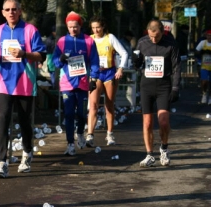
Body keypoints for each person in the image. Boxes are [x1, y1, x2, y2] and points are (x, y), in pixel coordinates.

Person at [0, 0, 46, 178]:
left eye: (14, 9)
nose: (11, 12)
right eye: (7, 10)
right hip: (4, 83)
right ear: (3, 13)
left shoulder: (30, 30)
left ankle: (27, 152)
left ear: (20, 11)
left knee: (24, 121)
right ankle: (2, 162)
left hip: (24, 83)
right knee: (3, 119)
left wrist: (24, 54)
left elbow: (41, 55)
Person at [132, 19, 181, 167]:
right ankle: (149, 155)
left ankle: (164, 149)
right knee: (147, 123)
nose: (154, 40)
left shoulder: (170, 43)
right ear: (147, 32)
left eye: (157, 37)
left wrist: (175, 88)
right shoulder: (142, 42)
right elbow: (137, 65)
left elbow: (176, 68)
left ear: (162, 32)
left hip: (163, 86)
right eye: (151, 36)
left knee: (164, 121)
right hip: (146, 85)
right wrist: (135, 61)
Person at [52, 12, 100, 155]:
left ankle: (80, 133)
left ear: (80, 26)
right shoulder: (61, 41)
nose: (73, 29)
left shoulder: (88, 41)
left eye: (76, 27)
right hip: (67, 83)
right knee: (68, 114)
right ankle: (70, 144)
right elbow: (55, 62)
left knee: (81, 113)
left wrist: (94, 78)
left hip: (83, 83)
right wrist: (60, 59)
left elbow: (95, 61)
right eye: (70, 27)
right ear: (67, 26)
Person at [86, 16, 128, 147]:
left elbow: (124, 53)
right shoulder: (89, 39)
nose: (96, 30)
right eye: (93, 28)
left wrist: (121, 68)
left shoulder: (110, 38)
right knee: (93, 105)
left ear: (103, 26)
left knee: (109, 105)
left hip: (109, 73)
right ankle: (90, 135)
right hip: (95, 74)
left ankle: (110, 134)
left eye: (98, 27)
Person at [195, 30, 211, 104]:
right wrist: (202, 52)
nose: (209, 37)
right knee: (204, 81)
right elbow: (197, 51)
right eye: (208, 35)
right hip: (204, 65)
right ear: (206, 36)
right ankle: (204, 94)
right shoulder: (203, 42)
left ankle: (210, 96)